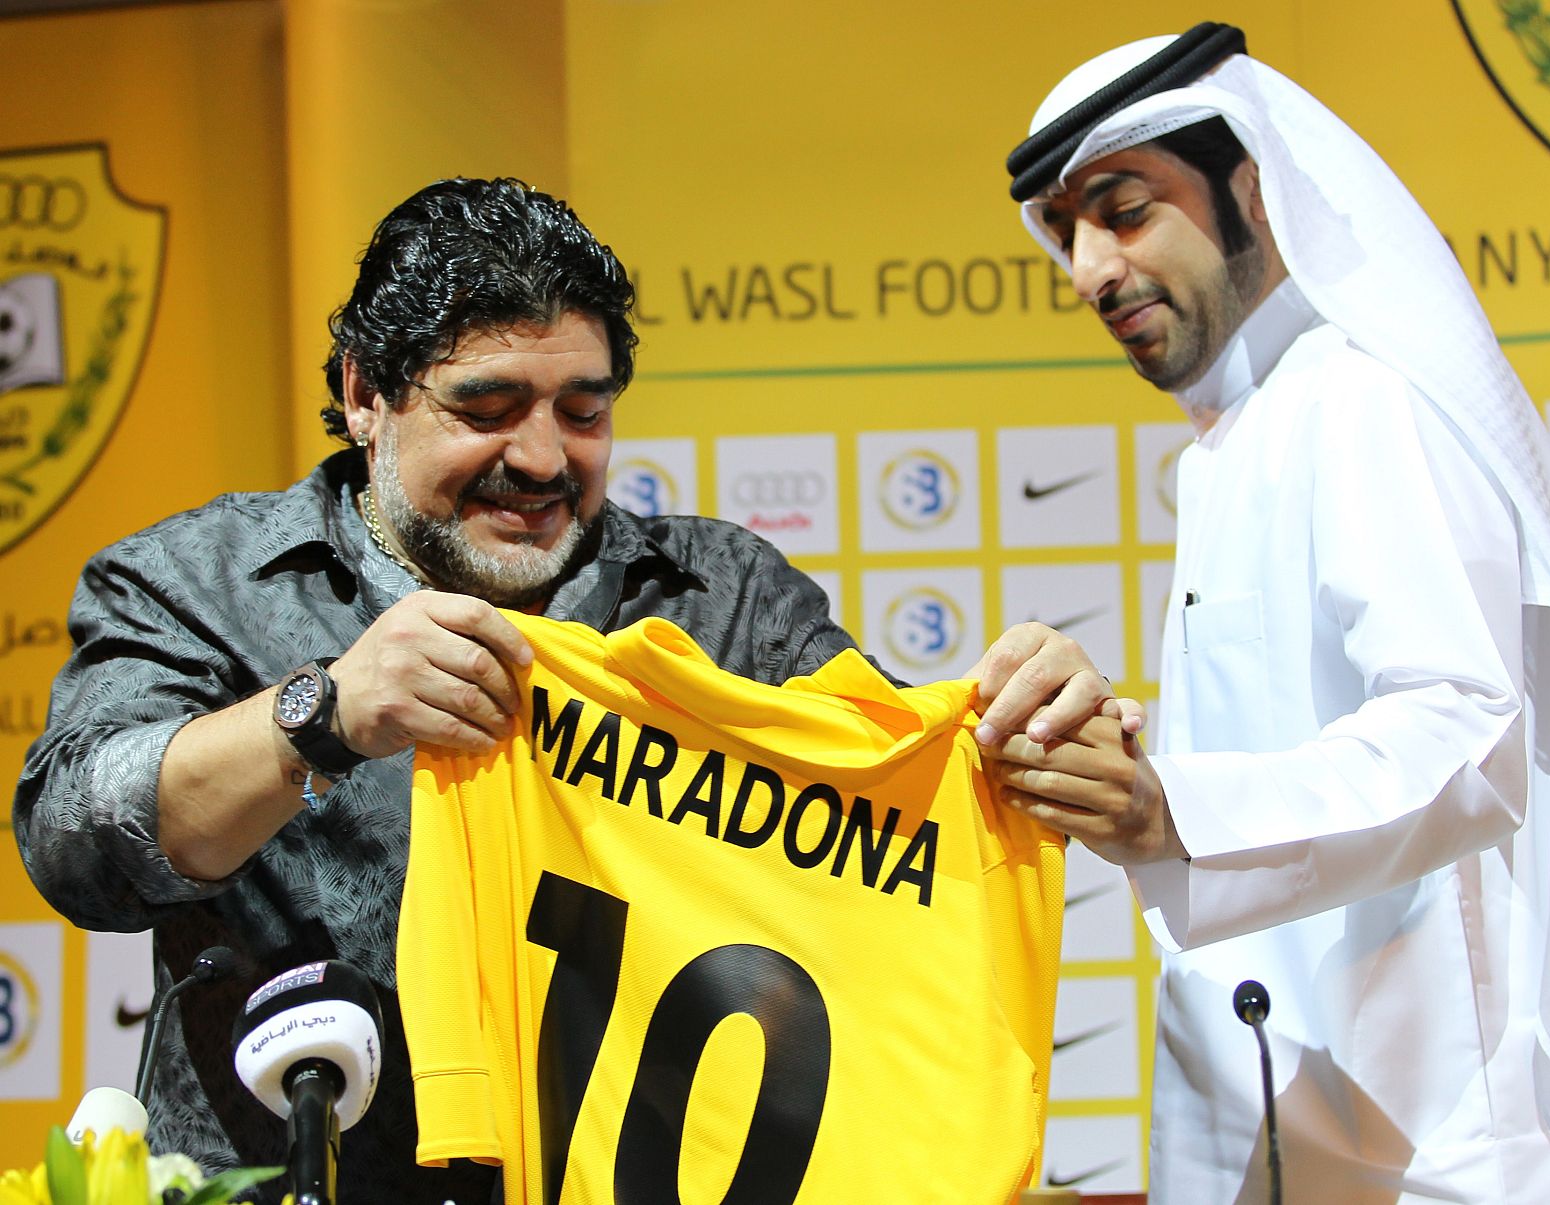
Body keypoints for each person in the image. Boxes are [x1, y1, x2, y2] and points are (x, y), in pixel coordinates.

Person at [13, 177, 1114, 1200]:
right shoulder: (195, 582)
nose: (542, 457)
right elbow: (76, 842)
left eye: (582, 411)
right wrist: (323, 715)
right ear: (364, 394)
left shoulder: (724, 599)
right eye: (486, 407)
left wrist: (1020, 733)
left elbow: (884, 832)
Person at [986, 22, 1550, 1203]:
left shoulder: (1361, 401)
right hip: (1285, 1132)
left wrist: (1175, 809)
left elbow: (1465, 732)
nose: (1086, 270)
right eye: (1064, 231)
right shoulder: (1239, 442)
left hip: (1436, 1158)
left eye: (1123, 211)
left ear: (1250, 188)